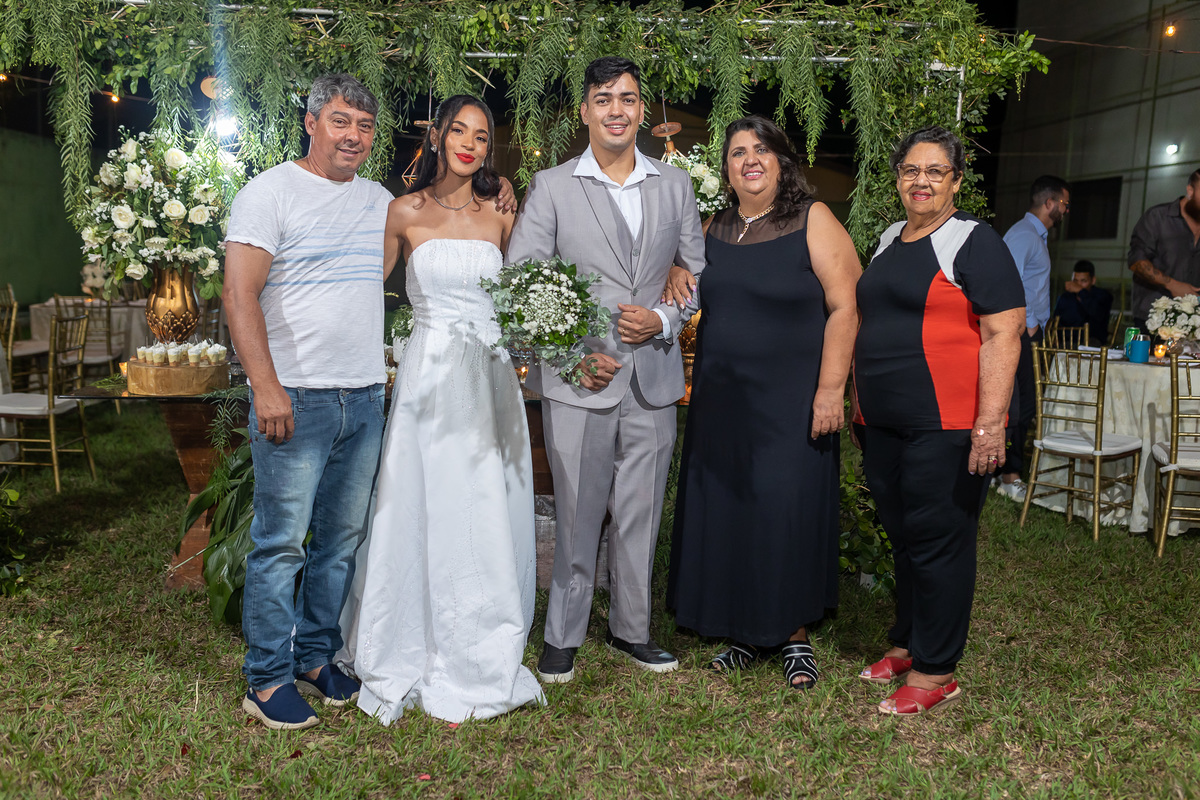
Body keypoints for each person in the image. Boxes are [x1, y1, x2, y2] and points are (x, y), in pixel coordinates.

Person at [335, 95, 544, 724]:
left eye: (481, 136)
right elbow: (363, 290)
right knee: (419, 499)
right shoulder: (402, 211)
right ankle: (406, 634)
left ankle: (480, 639)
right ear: (437, 137)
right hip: (427, 375)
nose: (471, 144)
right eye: (459, 131)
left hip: (488, 376)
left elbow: (525, 291)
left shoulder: (502, 211)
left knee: (481, 501)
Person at [507, 56, 706, 684]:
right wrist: (570, 354)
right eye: (603, 99)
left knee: (641, 512)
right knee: (577, 511)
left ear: (642, 109)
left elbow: (694, 275)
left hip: (653, 378)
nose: (616, 110)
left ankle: (632, 629)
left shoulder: (674, 185)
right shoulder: (552, 186)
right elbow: (522, 282)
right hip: (580, 380)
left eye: (627, 98)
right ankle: (562, 635)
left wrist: (665, 321)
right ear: (585, 111)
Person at [660, 116, 859, 689]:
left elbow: (847, 306)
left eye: (761, 149)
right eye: (737, 152)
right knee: (732, 507)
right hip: (722, 399)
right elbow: (682, 292)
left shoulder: (812, 219)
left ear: (781, 160)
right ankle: (743, 629)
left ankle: (793, 635)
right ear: (725, 168)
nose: (750, 159)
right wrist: (674, 265)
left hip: (792, 399)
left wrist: (830, 391)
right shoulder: (712, 229)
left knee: (783, 509)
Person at [224, 74, 392, 730]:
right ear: (312, 122)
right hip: (294, 396)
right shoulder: (269, 193)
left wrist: (500, 192)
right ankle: (266, 679)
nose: (353, 136)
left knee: (340, 541)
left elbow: (440, 217)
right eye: (341, 121)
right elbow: (239, 295)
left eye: (365, 126)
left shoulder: (379, 201)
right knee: (281, 544)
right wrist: (265, 386)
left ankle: (316, 657)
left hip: (365, 395)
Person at [853, 126, 1024, 715]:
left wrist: (990, 422)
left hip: (946, 423)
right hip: (882, 421)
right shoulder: (887, 238)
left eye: (934, 171)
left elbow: (1004, 333)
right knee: (904, 538)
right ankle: (907, 644)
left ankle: (937, 671)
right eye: (910, 170)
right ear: (898, 178)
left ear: (956, 181)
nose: (920, 181)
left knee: (939, 543)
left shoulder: (973, 240)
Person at [996, 174, 1069, 503]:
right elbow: (1006, 280)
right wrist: (1025, 325)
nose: (1066, 210)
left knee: (1023, 405)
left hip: (1029, 332)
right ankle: (1009, 476)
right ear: (1049, 203)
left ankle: (1003, 471)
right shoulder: (1024, 234)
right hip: (1019, 333)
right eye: (1064, 204)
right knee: (1019, 406)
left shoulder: (1035, 236)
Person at [1128, 169, 1200, 331]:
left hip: (1194, 324)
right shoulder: (1158, 217)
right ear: (1190, 191)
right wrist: (1173, 285)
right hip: (1153, 320)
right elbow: (1136, 261)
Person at [1052, 260, 1113, 346]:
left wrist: (1081, 292)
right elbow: (1056, 319)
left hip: (1092, 342)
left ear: (1093, 280)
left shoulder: (1102, 295)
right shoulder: (1066, 297)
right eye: (1076, 281)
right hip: (1067, 342)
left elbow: (1097, 313)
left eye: (1083, 281)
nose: (1078, 285)